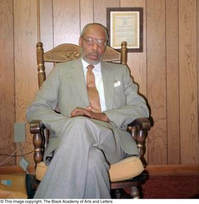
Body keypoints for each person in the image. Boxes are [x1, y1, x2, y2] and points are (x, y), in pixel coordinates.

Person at [26, 23, 149, 199]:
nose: (95, 47)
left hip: (112, 141)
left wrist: (103, 116)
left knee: (82, 125)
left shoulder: (120, 72)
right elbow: (34, 109)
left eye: (101, 42)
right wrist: (70, 124)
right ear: (80, 42)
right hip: (72, 143)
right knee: (92, 161)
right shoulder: (61, 71)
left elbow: (141, 107)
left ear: (105, 45)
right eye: (90, 41)